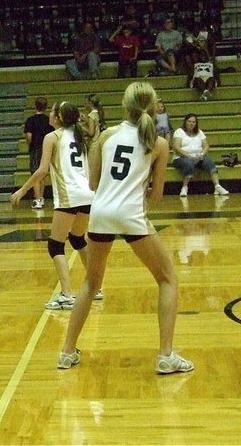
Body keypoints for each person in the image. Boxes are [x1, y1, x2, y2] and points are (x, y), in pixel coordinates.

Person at [59, 81, 194, 374]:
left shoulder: (106, 136)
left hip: (101, 213)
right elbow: (156, 196)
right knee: (168, 279)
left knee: (90, 284)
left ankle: (67, 352)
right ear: (154, 107)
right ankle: (166, 355)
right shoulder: (158, 143)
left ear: (125, 105)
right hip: (131, 214)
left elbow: (93, 184)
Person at [10, 101, 101, 310]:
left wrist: (22, 191)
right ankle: (95, 287)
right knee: (78, 239)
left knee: (55, 245)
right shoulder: (79, 136)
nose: (50, 114)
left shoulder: (53, 137)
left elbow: (42, 170)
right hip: (87, 195)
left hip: (69, 196)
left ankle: (67, 295)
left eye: (53, 112)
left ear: (58, 118)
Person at [172, 114, 230, 197]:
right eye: (189, 121)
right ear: (185, 122)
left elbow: (206, 146)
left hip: (198, 157)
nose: (191, 123)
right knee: (189, 163)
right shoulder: (179, 131)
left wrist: (202, 155)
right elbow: (176, 147)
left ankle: (217, 186)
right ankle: (184, 187)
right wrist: (189, 156)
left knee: (209, 162)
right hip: (181, 157)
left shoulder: (200, 132)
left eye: (193, 122)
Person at [23, 97, 54, 210]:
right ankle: (41, 198)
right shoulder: (48, 121)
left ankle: (37, 200)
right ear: (46, 107)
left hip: (35, 148)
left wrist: (30, 144)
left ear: (35, 106)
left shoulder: (30, 120)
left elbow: (29, 136)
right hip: (47, 148)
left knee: (35, 173)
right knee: (43, 174)